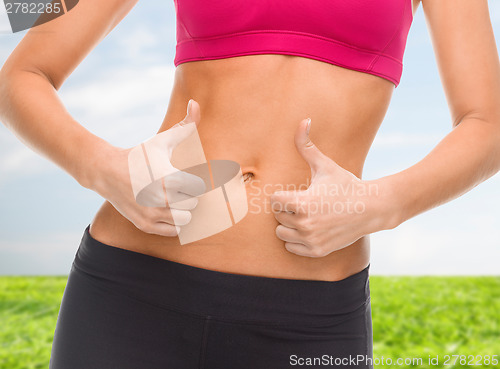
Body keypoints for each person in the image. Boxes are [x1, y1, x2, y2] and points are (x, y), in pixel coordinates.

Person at [1, 0, 499, 368]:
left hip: (310, 320)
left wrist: (379, 205)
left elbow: (489, 125)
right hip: (133, 292)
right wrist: (106, 171)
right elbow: (20, 72)